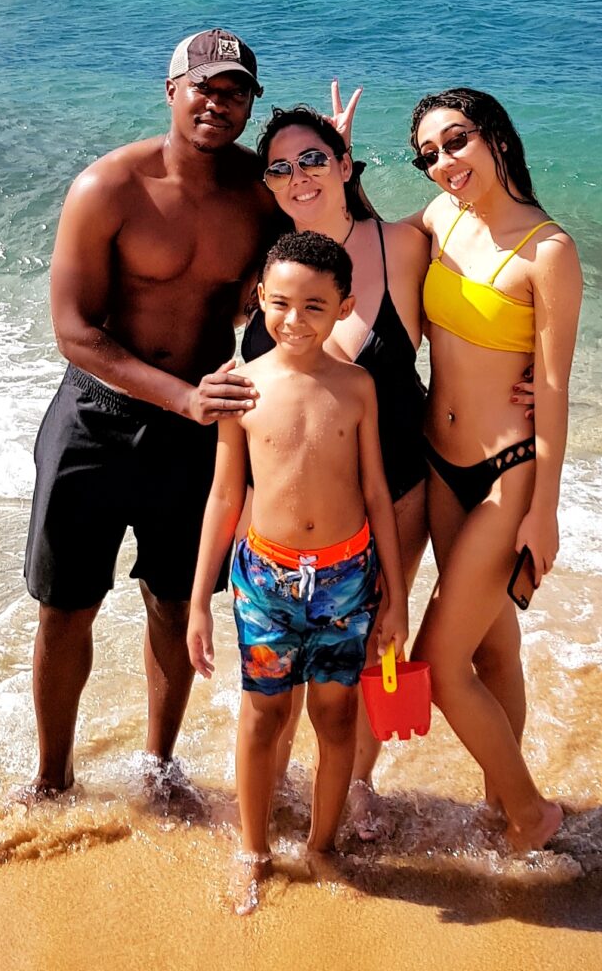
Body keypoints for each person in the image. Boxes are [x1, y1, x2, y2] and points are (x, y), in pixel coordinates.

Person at [243, 99, 536, 839]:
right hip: (289, 508)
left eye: (314, 158)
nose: (298, 176)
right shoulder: (270, 271)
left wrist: (525, 370)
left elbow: (494, 264)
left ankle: (384, 785)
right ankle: (274, 791)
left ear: (345, 163)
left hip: (403, 482)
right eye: (281, 166)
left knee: (389, 638)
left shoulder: (404, 244)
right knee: (285, 665)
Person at [20, 29, 279, 801]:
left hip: (194, 435)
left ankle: (159, 770)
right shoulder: (108, 187)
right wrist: (181, 395)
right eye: (204, 87)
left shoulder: (258, 192)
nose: (217, 102)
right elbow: (73, 330)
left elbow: (330, 265)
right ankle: (52, 778)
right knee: (67, 608)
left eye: (234, 91)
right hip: (96, 422)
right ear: (172, 90)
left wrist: (336, 168)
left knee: (174, 603)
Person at [186, 231, 408, 908]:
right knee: (262, 715)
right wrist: (200, 600)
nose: (295, 319)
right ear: (259, 302)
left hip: (346, 579)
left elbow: (376, 493)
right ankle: (253, 848)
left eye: (316, 306)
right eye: (280, 303)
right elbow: (225, 494)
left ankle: (321, 847)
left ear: (344, 307)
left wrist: (396, 596)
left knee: (337, 719)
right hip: (265, 580)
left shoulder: (359, 387)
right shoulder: (244, 388)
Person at [407, 88, 582, 850]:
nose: (444, 162)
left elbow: (551, 388)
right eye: (429, 154)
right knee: (493, 646)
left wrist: (544, 511)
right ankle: (493, 801)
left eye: (456, 142)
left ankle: (528, 813)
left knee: (437, 667)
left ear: (496, 139)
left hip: (505, 476)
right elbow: (367, 246)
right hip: (438, 463)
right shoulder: (438, 221)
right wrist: (337, 168)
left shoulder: (548, 250)